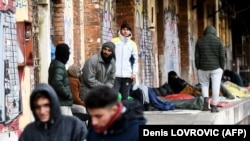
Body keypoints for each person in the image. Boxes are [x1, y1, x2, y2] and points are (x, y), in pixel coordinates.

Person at [18, 83, 87, 141]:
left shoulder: (74, 126)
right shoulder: (29, 132)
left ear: (53, 104)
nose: (42, 111)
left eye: (46, 105)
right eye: (37, 107)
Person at [195, 25, 225, 113]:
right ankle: (214, 106)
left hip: (202, 68)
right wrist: (222, 67)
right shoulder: (218, 41)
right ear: (214, 32)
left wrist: (198, 67)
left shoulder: (200, 41)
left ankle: (205, 104)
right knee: (216, 85)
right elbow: (222, 57)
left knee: (204, 84)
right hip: (216, 68)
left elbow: (197, 56)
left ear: (205, 32)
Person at [111, 22, 138, 101]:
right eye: (124, 29)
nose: (125, 31)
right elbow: (109, 56)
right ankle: (114, 112)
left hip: (127, 75)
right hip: (115, 75)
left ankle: (125, 112)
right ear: (121, 30)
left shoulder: (133, 44)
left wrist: (134, 73)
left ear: (130, 31)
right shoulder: (114, 41)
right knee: (114, 95)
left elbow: (135, 60)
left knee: (125, 96)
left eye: (127, 30)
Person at [48, 43, 73, 116]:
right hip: (62, 102)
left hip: (58, 101)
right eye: (67, 52)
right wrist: (67, 95)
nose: (68, 54)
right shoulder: (60, 65)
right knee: (66, 125)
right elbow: (57, 82)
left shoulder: (54, 63)